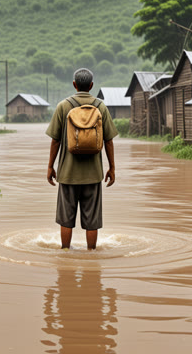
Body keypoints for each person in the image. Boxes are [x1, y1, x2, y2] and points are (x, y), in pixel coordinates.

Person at [46, 68, 117, 250]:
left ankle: (65, 253)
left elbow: (55, 140)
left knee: (66, 220)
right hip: (93, 175)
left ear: (74, 85)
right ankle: (92, 255)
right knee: (92, 221)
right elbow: (108, 141)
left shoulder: (63, 106)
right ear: (91, 85)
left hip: (67, 174)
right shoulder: (101, 107)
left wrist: (50, 167)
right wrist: (112, 168)